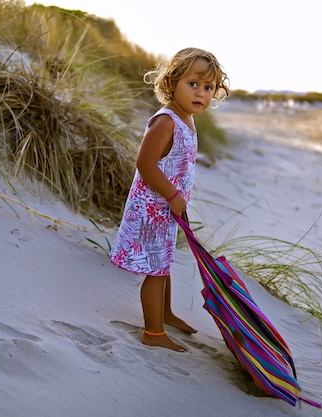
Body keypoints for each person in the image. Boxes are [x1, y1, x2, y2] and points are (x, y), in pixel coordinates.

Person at [110, 48, 230, 352]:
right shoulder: (166, 122)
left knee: (163, 263)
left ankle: (165, 313)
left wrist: (176, 199)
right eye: (193, 84)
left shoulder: (187, 119)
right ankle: (153, 332)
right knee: (155, 268)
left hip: (166, 209)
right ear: (173, 82)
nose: (200, 93)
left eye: (208, 87)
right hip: (151, 209)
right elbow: (145, 164)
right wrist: (174, 195)